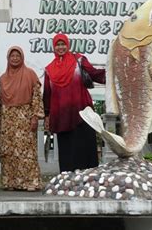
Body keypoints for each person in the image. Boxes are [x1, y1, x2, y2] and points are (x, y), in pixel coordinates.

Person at [43, 33, 105, 172]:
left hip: (82, 112)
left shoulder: (79, 60)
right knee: (67, 146)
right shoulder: (49, 70)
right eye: (58, 45)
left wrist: (113, 73)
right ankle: (68, 177)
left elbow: (94, 74)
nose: (61, 47)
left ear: (68, 45)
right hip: (62, 114)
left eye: (63, 44)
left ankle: (89, 177)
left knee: (84, 144)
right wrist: (47, 115)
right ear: (54, 47)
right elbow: (47, 94)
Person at [0, 46, 44, 191]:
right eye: (12, 56)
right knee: (8, 151)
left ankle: (30, 182)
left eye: (18, 56)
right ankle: (10, 182)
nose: (15, 58)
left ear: (22, 57)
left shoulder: (30, 74)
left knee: (26, 151)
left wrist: (35, 116)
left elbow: (36, 97)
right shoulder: (3, 78)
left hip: (25, 116)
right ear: (8, 59)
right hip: (7, 118)